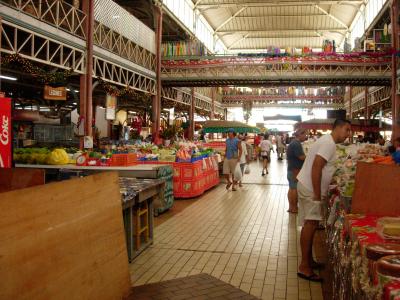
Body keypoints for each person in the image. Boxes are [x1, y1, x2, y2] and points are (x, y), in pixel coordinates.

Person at [296, 119, 351, 282]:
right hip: (311, 189)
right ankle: (304, 267)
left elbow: (321, 167)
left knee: (309, 225)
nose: (348, 134)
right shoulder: (329, 143)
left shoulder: (327, 140)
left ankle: (308, 261)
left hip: (307, 186)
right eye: (347, 130)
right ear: (338, 128)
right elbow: (316, 167)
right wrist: (317, 194)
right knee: (310, 225)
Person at [286, 129, 307, 214]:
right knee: (294, 189)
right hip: (295, 170)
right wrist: (310, 157)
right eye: (305, 135)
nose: (306, 137)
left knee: (291, 188)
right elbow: (301, 157)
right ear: (300, 134)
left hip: (291, 169)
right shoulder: (296, 144)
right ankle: (294, 208)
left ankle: (291, 207)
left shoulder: (293, 143)